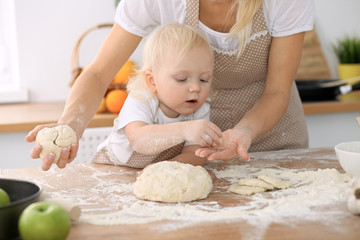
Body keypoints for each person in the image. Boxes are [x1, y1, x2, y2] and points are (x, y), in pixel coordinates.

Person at [26, 0, 314, 171]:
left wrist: (243, 132)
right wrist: (69, 126)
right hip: (190, 147)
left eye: (202, 80)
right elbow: (99, 73)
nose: (195, 88)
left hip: (269, 137)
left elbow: (277, 91)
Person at [91, 23, 222, 168]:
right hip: (114, 168)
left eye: (204, 79)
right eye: (182, 79)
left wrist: (162, 169)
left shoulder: (200, 109)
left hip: (152, 168)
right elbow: (139, 140)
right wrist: (185, 130)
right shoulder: (141, 99)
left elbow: (195, 156)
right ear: (152, 81)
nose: (196, 88)